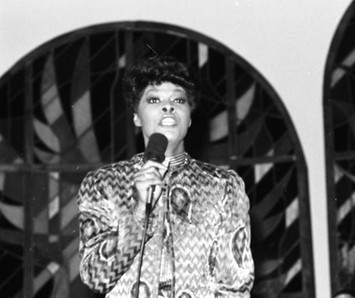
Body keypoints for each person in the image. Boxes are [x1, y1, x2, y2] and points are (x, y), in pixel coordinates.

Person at [77, 56, 254, 298]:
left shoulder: (223, 186)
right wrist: (139, 213)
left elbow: (235, 285)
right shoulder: (103, 183)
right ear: (136, 117)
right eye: (154, 99)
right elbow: (95, 277)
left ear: (189, 117)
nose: (168, 106)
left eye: (178, 100)